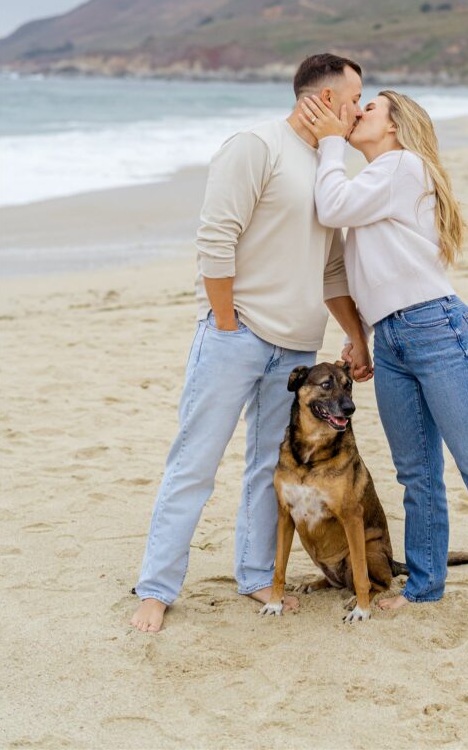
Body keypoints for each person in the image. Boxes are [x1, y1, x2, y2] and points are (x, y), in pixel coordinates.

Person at [298, 89, 468, 643]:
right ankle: (425, 585)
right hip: (392, 337)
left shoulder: (401, 164)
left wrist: (326, 146)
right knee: (416, 474)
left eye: (369, 108)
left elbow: (331, 205)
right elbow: (359, 273)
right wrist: (362, 337)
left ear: (394, 127)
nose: (356, 112)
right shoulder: (378, 182)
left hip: (438, 329)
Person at [130, 53, 373, 634]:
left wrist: (353, 334)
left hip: (295, 353)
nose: (359, 109)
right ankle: (156, 588)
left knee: (270, 468)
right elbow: (216, 237)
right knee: (195, 462)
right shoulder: (255, 146)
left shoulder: (329, 165)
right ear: (319, 99)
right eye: (353, 98)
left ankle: (256, 574)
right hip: (234, 334)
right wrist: (226, 324)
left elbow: (332, 268)